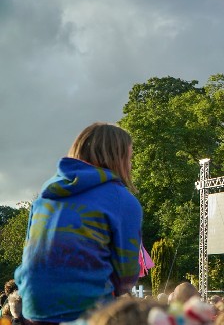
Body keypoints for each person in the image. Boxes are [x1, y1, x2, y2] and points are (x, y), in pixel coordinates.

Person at [14, 122, 143, 324]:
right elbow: (126, 274)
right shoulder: (121, 200)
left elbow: (31, 252)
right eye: (130, 157)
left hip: (33, 306)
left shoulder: (46, 194)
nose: (131, 165)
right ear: (117, 158)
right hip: (86, 308)